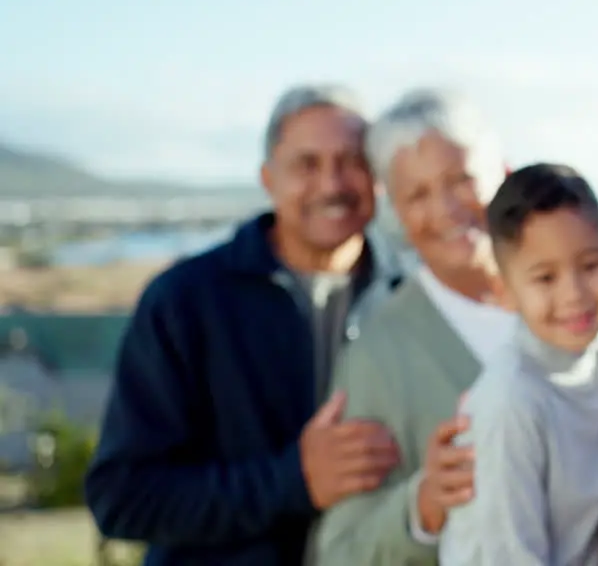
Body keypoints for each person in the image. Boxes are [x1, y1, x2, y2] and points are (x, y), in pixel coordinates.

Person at [85, 85, 401, 565]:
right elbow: (124, 498)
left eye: (352, 160)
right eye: (306, 164)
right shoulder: (185, 301)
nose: (332, 184)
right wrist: (293, 480)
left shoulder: (409, 298)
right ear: (267, 178)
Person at [312, 88, 517, 565]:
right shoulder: (377, 356)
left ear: (504, 174)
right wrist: (423, 504)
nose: (445, 209)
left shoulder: (578, 305)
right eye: (418, 195)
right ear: (396, 212)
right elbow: (340, 553)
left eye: (461, 179)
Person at [438, 163, 598, 565]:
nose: (574, 294)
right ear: (504, 291)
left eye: (591, 266)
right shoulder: (511, 401)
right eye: (545, 278)